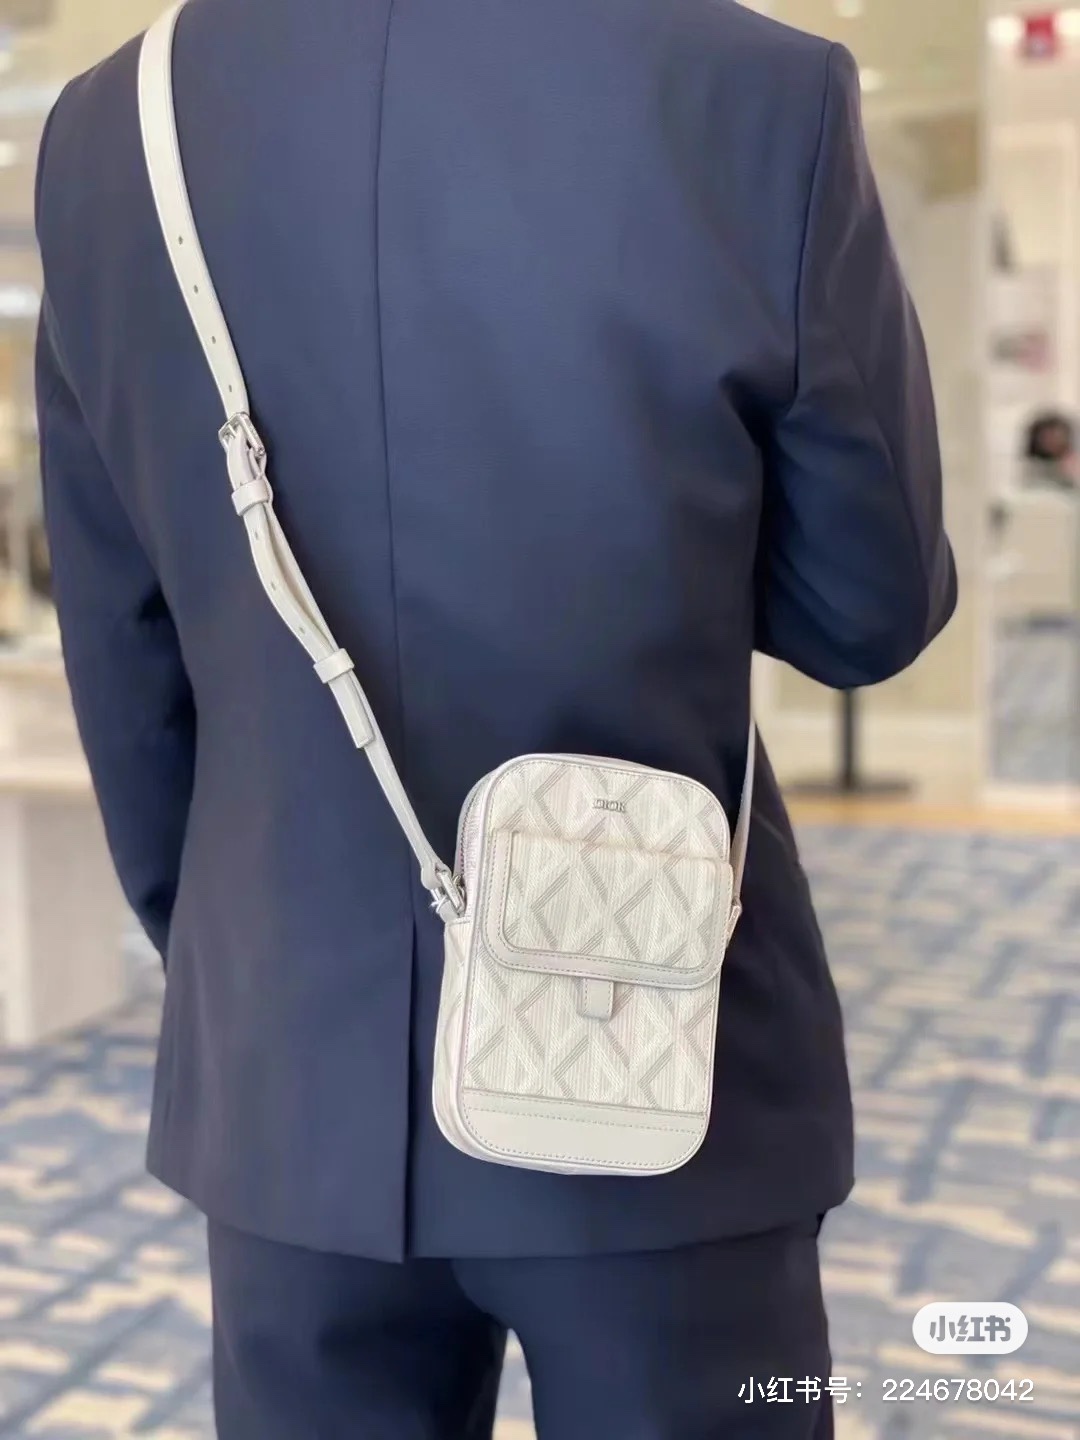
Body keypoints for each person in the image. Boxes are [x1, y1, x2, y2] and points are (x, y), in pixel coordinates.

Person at [34, 0, 956, 1435]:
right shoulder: (758, 91)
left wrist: (236, 946)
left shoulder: (113, 123)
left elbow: (123, 647)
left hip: (290, 1057)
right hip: (654, 1041)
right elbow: (867, 612)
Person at [1023, 411, 1079, 492]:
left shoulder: (1071, 463)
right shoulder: (1033, 471)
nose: (1052, 441)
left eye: (1057, 437)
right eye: (1046, 437)